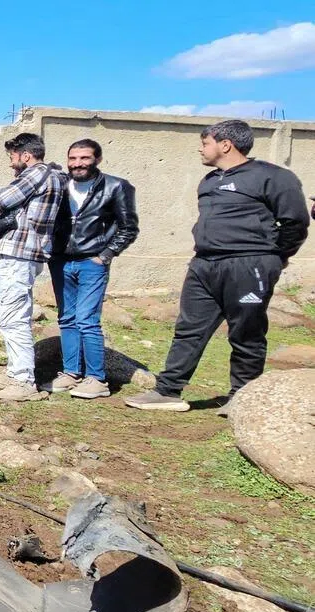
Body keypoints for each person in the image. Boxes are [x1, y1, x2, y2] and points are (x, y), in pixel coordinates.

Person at [125, 119, 309, 415]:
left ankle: (242, 397)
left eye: (205, 143)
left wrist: (273, 257)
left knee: (245, 331)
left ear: (226, 145)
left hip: (248, 265)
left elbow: (295, 222)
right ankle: (168, 390)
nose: (200, 148)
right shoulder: (209, 181)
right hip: (204, 264)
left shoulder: (273, 177)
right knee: (188, 329)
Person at [0, 132, 64, 402]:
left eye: (12, 156)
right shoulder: (46, 176)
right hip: (22, 254)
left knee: (13, 318)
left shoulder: (35, 174)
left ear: (26, 155)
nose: (11, 163)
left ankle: (23, 380)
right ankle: (14, 372)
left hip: (19, 255)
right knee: (10, 315)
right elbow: (18, 210)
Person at [44, 139, 139, 399]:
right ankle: (70, 373)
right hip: (61, 260)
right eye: (73, 158)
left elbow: (128, 227)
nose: (78, 164)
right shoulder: (60, 184)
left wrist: (106, 255)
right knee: (66, 319)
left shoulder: (116, 186)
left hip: (92, 262)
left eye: (84, 158)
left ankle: (97, 379)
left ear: (97, 159)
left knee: (87, 320)